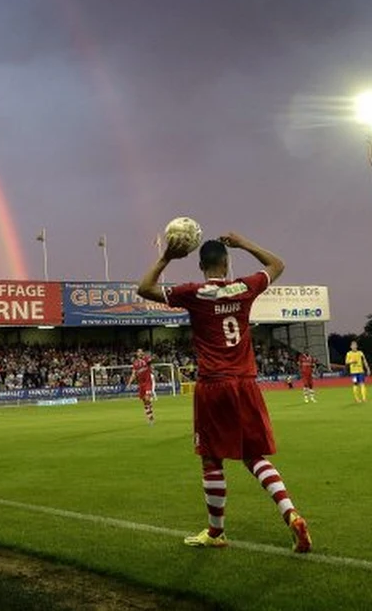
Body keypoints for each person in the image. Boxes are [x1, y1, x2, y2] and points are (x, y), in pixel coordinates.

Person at [138, 231, 311, 553]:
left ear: (201, 265)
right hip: (246, 382)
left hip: (213, 384)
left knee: (211, 458)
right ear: (226, 263)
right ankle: (291, 514)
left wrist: (167, 258)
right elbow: (277, 264)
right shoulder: (245, 287)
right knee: (253, 456)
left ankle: (216, 532)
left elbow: (144, 288)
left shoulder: (194, 292)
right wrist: (244, 242)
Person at [125, 348, 156, 425]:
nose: (140, 353)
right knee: (144, 401)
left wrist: (150, 357)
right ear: (136, 354)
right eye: (138, 352)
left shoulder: (146, 359)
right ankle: (150, 416)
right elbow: (134, 374)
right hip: (141, 384)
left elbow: (152, 359)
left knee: (147, 398)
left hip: (148, 382)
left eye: (141, 351)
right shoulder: (135, 363)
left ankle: (150, 416)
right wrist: (129, 383)